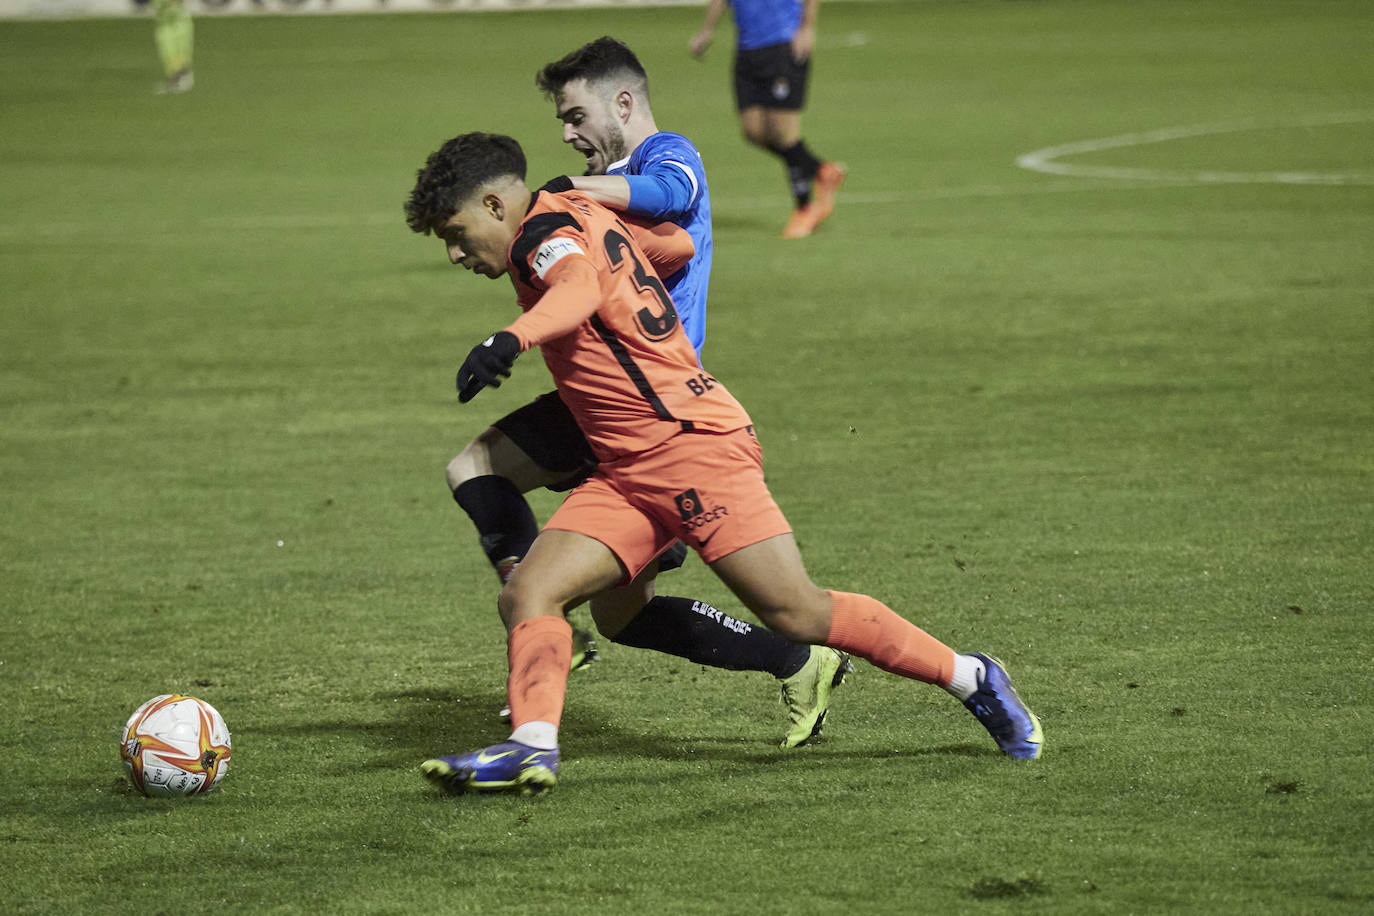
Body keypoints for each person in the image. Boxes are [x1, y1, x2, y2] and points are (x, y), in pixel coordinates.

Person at [404, 132, 1043, 794]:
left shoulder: (543, 239)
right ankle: (530, 745)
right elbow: (674, 248)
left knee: (797, 613)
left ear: (494, 202)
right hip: (627, 470)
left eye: (457, 232)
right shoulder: (577, 214)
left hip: (692, 450)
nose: (454, 252)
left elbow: (576, 286)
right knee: (531, 593)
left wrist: (511, 337)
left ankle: (972, 675)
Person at [443, 37, 850, 749]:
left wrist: (563, 194)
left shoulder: (669, 156)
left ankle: (545, 629)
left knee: (480, 471)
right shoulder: (586, 195)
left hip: (655, 411)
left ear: (623, 103)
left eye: (576, 116)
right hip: (609, 405)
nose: (567, 135)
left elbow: (673, 197)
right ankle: (796, 660)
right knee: (622, 616)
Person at [690, 0, 845, 238]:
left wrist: (807, 27)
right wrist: (706, 30)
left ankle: (804, 209)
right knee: (753, 131)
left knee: (784, 133)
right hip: (747, 50)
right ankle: (822, 171)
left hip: (783, 45)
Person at [151, 0, 194, 94]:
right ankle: (177, 75)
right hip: (165, 22)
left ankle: (181, 74)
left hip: (177, 21)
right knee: (167, 47)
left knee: (177, 45)